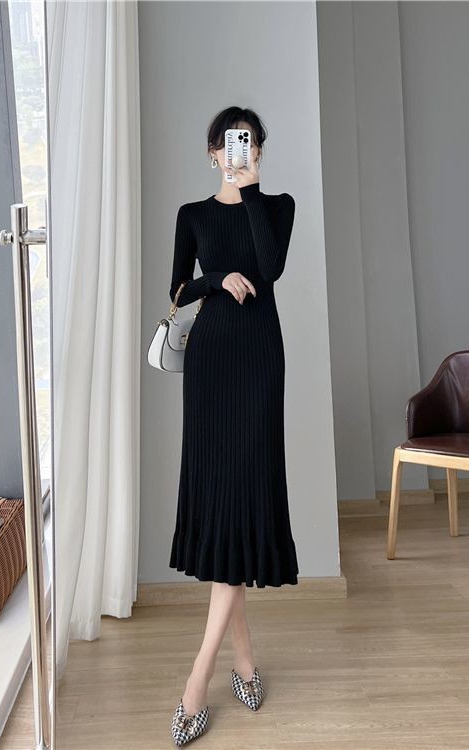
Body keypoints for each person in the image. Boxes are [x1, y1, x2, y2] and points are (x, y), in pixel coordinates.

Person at [168, 107, 299, 747]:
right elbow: (177, 293)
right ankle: (243, 661)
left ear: (258, 152)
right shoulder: (192, 215)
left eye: (246, 145)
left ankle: (198, 680)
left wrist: (249, 192)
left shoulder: (277, 207)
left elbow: (271, 269)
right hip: (211, 365)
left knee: (244, 496)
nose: (235, 152)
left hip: (260, 362)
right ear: (212, 152)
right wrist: (217, 278)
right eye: (226, 145)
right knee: (224, 503)